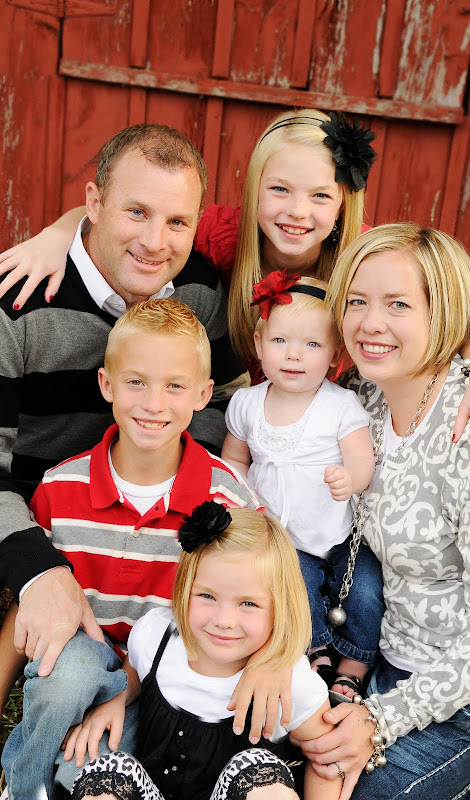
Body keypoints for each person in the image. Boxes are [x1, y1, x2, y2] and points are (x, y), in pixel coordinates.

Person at [0, 110, 470, 471]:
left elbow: (454, 326)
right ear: (254, 191)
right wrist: (58, 234)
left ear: (343, 204)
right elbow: (141, 218)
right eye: (280, 190)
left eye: (320, 196)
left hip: (325, 444)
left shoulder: (361, 260)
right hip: (242, 435)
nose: (297, 212)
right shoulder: (222, 238)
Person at [0, 123, 249, 687]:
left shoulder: (200, 292)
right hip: (40, 513)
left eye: (177, 221)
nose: (156, 242)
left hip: (147, 518)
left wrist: (172, 486)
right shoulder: (16, 304)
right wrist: (38, 569)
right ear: (93, 203)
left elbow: (223, 400)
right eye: (137, 212)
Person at [289, 224, 470, 800]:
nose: (371, 323)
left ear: (441, 313)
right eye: (357, 301)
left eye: (398, 304)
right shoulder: (364, 399)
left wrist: (380, 721)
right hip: (389, 660)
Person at [0, 298, 262, 799]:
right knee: (70, 676)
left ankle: (71, 774)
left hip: (162, 679)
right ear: (107, 385)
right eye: (136, 381)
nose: (153, 403)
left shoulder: (228, 501)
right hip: (78, 658)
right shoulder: (61, 486)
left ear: (203, 394)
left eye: (175, 386)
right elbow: (32, 600)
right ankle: (23, 786)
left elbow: (266, 596)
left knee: (87, 772)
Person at [64, 504, 342, 800]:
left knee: (261, 775)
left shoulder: (289, 682)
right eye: (207, 596)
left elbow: (325, 756)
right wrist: (118, 698)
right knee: (107, 772)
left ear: (280, 608)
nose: (224, 620)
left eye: (248, 603)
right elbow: (135, 666)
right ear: (185, 589)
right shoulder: (157, 637)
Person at [221, 273, 382, 702]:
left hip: (340, 535)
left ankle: (356, 663)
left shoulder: (340, 405)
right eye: (280, 341)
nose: (294, 355)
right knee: (295, 590)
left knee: (366, 591)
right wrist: (235, 500)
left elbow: (362, 458)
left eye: (312, 344)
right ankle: (315, 652)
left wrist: (351, 478)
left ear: (334, 356)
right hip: (283, 538)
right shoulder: (247, 403)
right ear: (259, 344)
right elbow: (235, 459)